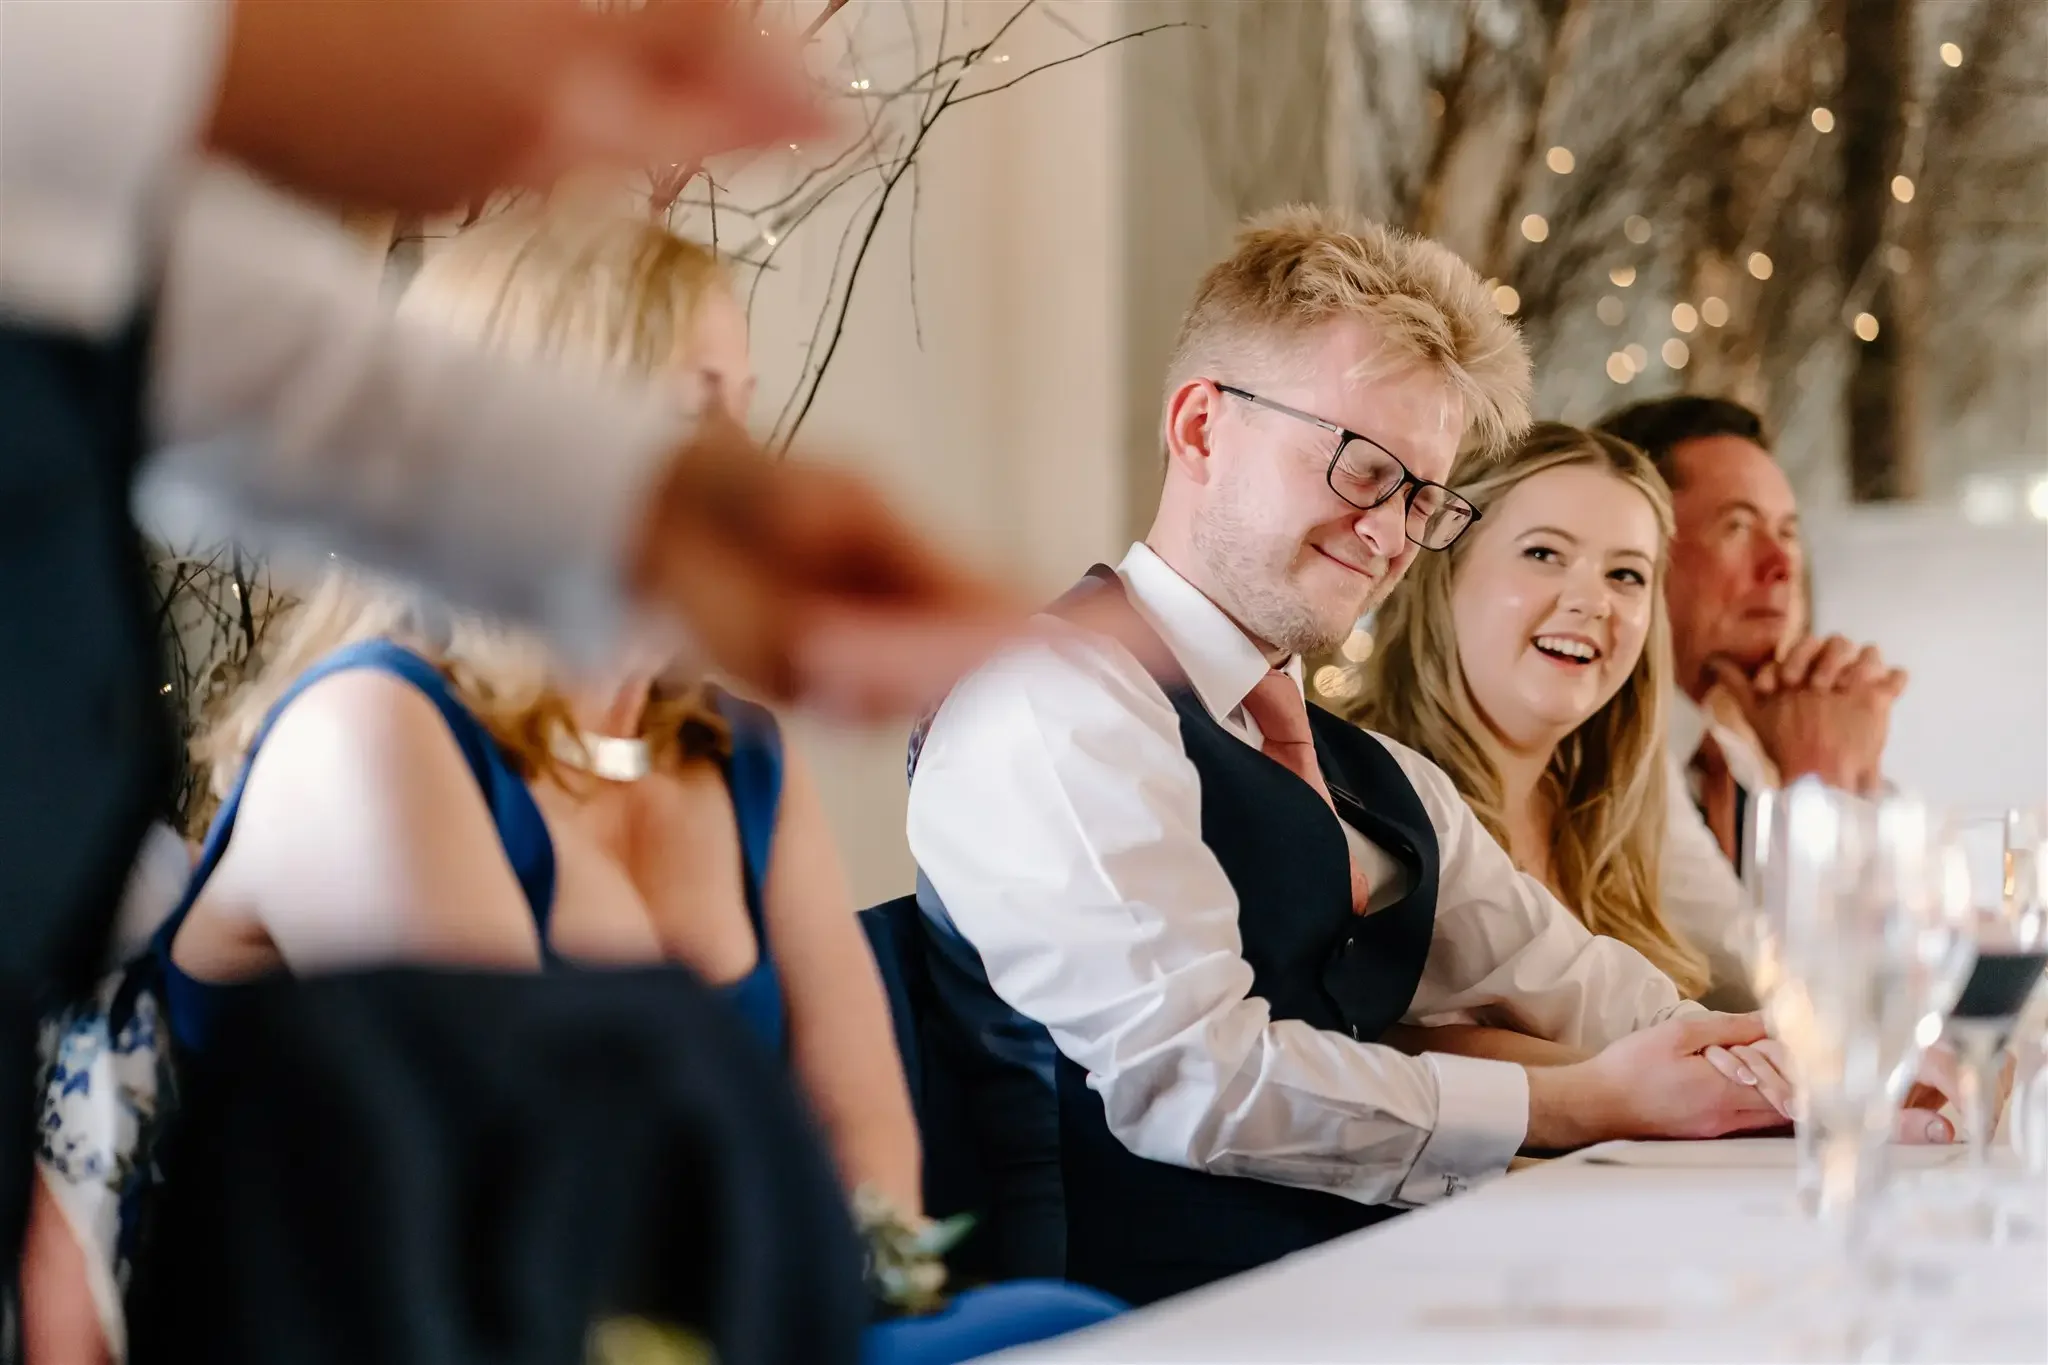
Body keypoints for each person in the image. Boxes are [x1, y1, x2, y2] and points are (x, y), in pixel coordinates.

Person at [0, 0, 1149, 1287]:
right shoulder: (368, 729)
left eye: (737, 405)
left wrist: (678, 522)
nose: (739, 442)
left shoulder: (728, 746)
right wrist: (268, 60)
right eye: (686, 404)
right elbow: (535, 1173)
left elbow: (266, 374)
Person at [905, 207, 1794, 1308]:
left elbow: (1577, 985)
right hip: (1140, 1327)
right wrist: (1579, 1105)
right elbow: (1196, 1082)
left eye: (1420, 497)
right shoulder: (1050, 701)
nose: (1386, 536)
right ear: (1198, 430)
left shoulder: (1372, 773)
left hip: (1387, 1296)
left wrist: (1824, 1071)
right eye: (1362, 471)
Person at [1357, 422, 1740, 1006]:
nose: (1592, 600)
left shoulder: (1613, 818)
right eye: (1544, 553)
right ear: (1445, 573)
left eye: (1626, 574)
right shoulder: (1359, 794)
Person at [1595, 397, 1907, 870]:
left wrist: (1852, 771)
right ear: (1631, 552)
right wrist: (1819, 782)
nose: (1781, 567)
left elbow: (1900, 930)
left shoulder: (1744, 768)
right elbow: (1773, 945)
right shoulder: (1588, 780)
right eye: (1737, 526)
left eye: (1787, 533)